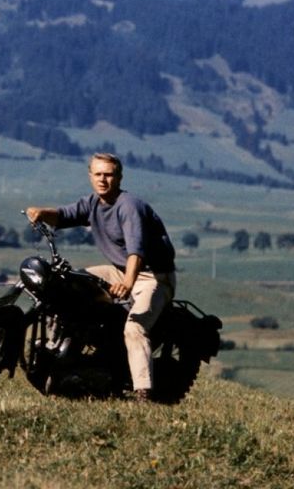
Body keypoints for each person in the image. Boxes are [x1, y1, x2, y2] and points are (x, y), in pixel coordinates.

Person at [25, 152, 176, 401]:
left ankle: (143, 393)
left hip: (152, 277)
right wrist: (41, 212)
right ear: (90, 176)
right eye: (98, 174)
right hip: (118, 268)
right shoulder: (94, 202)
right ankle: (59, 351)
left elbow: (136, 250)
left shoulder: (128, 206)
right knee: (65, 284)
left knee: (135, 327)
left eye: (108, 174)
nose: (103, 180)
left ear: (119, 177)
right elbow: (64, 215)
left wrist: (127, 283)